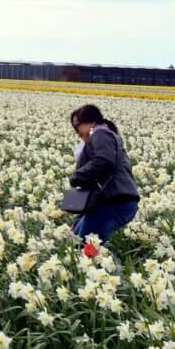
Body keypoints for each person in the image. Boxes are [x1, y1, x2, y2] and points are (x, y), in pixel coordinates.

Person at [68, 104, 140, 246]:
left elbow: (104, 160)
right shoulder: (103, 136)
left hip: (114, 202)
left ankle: (106, 267)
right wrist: (78, 219)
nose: (77, 132)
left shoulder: (100, 133)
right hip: (107, 203)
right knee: (75, 241)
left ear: (91, 121)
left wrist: (77, 176)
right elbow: (95, 182)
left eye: (78, 125)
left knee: (84, 250)